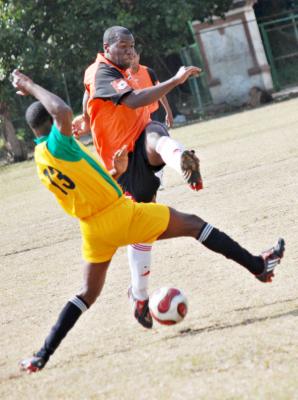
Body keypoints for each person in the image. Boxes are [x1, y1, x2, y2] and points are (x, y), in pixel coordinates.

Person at [12, 69, 285, 373]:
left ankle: (41, 355)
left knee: (86, 294)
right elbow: (61, 110)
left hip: (92, 230)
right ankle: (259, 267)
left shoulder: (40, 159)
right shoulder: (57, 144)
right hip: (119, 215)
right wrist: (29, 84)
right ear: (50, 124)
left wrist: (115, 171)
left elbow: (86, 187)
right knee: (194, 224)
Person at [72, 26, 203, 329]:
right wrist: (176, 80)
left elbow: (142, 97)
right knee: (140, 228)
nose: (129, 51)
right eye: (123, 46)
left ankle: (181, 158)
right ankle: (139, 295)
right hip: (122, 160)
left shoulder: (134, 70)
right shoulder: (101, 72)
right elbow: (121, 98)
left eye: (132, 46)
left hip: (141, 143)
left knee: (156, 131)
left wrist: (86, 119)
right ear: (106, 47)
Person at [129, 49, 174, 128]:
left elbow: (160, 92)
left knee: (155, 136)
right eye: (129, 58)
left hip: (152, 113)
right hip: (136, 116)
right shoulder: (124, 76)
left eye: (134, 56)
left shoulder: (149, 71)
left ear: (138, 56)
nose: (132, 60)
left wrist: (168, 111)